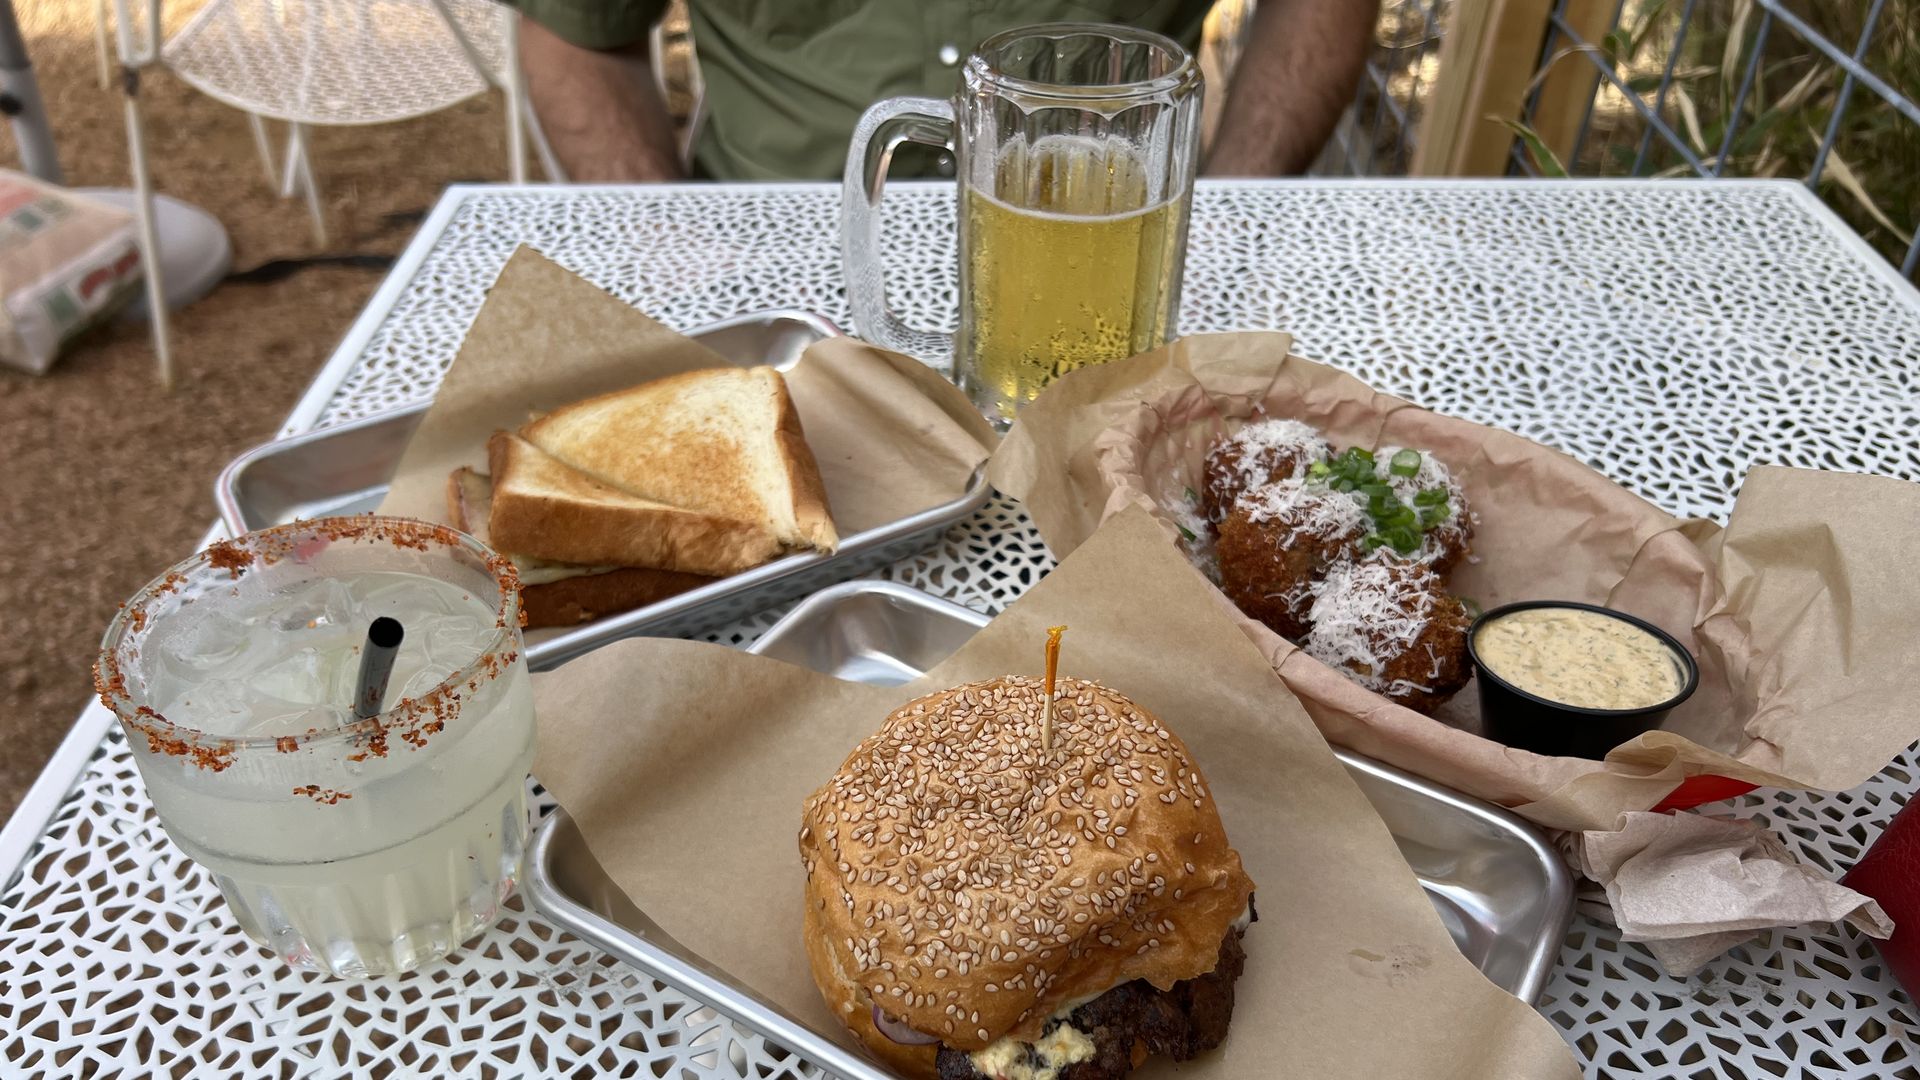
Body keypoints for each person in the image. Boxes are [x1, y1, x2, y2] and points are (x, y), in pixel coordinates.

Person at [511, 0, 1380, 183]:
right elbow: (582, 32)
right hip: (766, 244)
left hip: (1122, 242)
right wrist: (668, 236)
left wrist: (1232, 198)